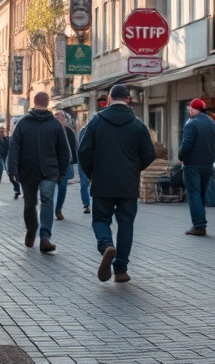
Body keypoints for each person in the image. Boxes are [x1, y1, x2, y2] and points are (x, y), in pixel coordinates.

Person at [78, 83, 156, 284]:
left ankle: (106, 246)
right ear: (128, 100)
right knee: (126, 223)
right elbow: (149, 154)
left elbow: (83, 151)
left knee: (100, 219)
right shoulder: (138, 125)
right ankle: (121, 270)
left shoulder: (96, 122)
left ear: (110, 98)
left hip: (102, 182)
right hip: (127, 184)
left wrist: (92, 173)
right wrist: (133, 170)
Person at [8, 92, 70, 253]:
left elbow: (14, 147)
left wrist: (12, 169)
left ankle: (36, 232)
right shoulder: (54, 124)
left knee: (30, 203)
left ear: (33, 102)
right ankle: (43, 236)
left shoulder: (23, 123)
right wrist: (62, 172)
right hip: (49, 170)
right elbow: (64, 151)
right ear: (48, 102)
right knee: (47, 201)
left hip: (29, 170)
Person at [179, 97, 215, 236]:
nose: (188, 111)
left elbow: (186, 144)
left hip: (192, 164)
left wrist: (181, 157)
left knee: (193, 193)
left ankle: (199, 225)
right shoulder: (213, 123)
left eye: (189, 108)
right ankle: (200, 223)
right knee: (201, 193)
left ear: (194, 109)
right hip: (207, 165)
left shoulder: (191, 123)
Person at [53, 110, 78, 220]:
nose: (59, 118)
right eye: (56, 116)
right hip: (52, 163)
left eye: (61, 116)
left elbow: (73, 146)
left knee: (62, 186)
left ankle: (58, 209)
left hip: (65, 162)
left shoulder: (69, 131)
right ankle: (51, 208)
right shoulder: (50, 129)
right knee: (50, 186)